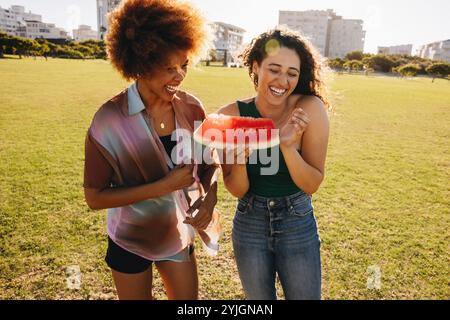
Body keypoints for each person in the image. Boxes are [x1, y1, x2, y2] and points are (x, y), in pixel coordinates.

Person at [83, 0, 220, 300]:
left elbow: (209, 166)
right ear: (141, 63)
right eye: (168, 68)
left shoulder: (192, 108)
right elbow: (94, 197)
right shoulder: (109, 119)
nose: (180, 76)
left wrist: (209, 199)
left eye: (184, 65)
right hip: (128, 240)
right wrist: (163, 186)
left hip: (177, 236)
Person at [218, 27, 330, 300]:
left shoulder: (309, 108)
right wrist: (240, 159)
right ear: (256, 66)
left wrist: (288, 146)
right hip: (249, 222)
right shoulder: (230, 116)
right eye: (274, 69)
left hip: (296, 220)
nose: (283, 80)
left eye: (292, 73)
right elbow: (237, 189)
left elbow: (312, 183)